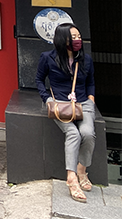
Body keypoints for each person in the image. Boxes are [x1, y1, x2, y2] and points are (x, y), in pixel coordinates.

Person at [35, 23, 96, 203]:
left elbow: (90, 81)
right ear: (63, 40)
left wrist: (91, 98)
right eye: (73, 37)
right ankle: (71, 178)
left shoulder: (86, 59)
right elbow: (39, 79)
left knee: (88, 134)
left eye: (79, 36)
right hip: (60, 105)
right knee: (73, 134)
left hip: (83, 102)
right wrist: (47, 99)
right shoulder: (48, 58)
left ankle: (82, 169)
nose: (78, 40)